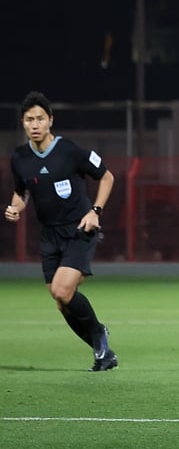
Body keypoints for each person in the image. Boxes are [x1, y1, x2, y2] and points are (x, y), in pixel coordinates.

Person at [6, 91, 118, 371]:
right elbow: (21, 193)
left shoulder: (69, 151)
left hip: (79, 230)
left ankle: (99, 333)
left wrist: (96, 211)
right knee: (61, 302)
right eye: (29, 119)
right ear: (22, 122)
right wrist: (14, 207)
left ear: (50, 121)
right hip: (49, 236)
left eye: (40, 119)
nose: (34, 124)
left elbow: (106, 176)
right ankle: (102, 352)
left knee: (62, 291)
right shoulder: (19, 158)